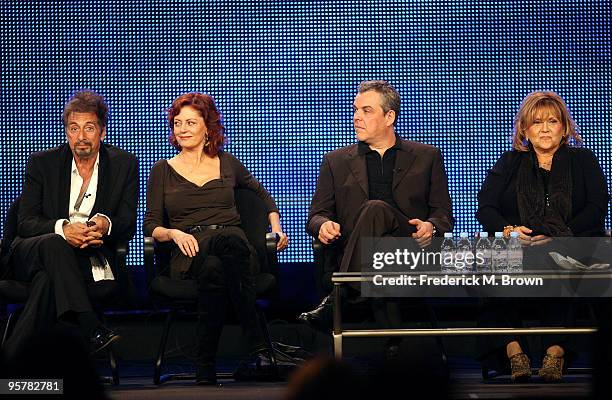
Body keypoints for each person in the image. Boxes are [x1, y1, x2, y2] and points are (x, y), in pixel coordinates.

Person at [143, 92, 289, 385]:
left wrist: (277, 227)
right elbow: (151, 225)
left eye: (190, 122)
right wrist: (173, 232)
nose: (182, 128)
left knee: (216, 266)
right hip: (189, 248)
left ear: (207, 127)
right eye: (177, 123)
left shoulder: (227, 163)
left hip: (232, 248)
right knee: (218, 252)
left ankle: (204, 365)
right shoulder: (162, 169)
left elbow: (262, 196)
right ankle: (257, 344)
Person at [299, 80, 453, 344]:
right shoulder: (336, 161)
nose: (357, 117)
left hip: (410, 250)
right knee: (377, 233)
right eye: (355, 110)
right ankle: (394, 349)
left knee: (375, 208)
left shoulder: (427, 156)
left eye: (366, 111)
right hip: (361, 252)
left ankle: (340, 297)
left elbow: (444, 215)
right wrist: (323, 225)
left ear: (389, 116)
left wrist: (431, 227)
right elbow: (315, 215)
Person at [476, 91, 609, 382]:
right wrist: (509, 230)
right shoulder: (510, 162)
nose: (545, 129)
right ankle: (514, 351)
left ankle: (555, 352)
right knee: (492, 265)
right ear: (524, 129)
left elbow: (596, 208)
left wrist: (559, 235)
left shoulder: (583, 159)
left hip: (571, 244)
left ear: (565, 127)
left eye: (552, 121)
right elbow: (485, 207)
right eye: (537, 122)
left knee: (563, 261)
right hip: (519, 246)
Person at [3, 90, 138, 360]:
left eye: (89, 128)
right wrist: (63, 229)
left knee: (46, 282)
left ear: (102, 131)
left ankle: (11, 365)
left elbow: (127, 223)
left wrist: (104, 224)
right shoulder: (42, 164)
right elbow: (26, 222)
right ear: (66, 131)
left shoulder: (124, 164)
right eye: (74, 128)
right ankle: (91, 326)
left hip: (84, 258)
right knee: (55, 243)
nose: (81, 136)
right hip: (32, 252)